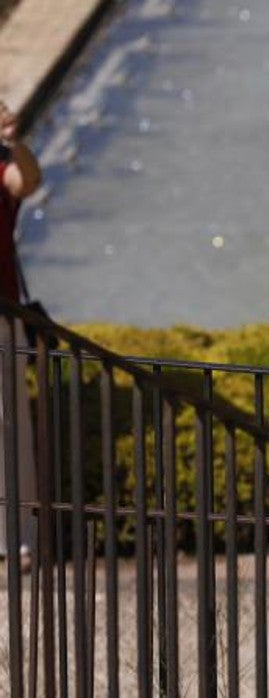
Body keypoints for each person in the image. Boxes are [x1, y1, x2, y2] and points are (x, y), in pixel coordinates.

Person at [0, 99, 43, 569]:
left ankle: (15, 541)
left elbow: (27, 180)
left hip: (2, 311)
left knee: (5, 424)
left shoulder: (4, 165)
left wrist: (12, 143)